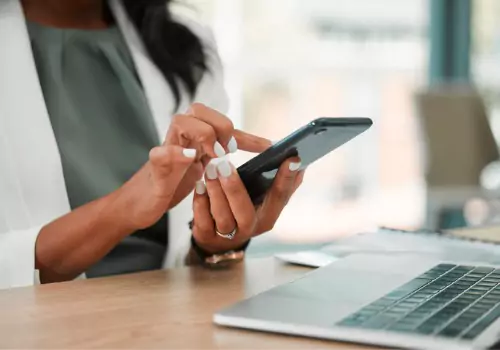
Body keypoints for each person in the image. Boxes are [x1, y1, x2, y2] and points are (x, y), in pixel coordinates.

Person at [0, 0, 304, 289]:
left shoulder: (186, 45)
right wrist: (124, 208)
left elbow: (187, 260)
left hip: (162, 314)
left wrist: (214, 243)